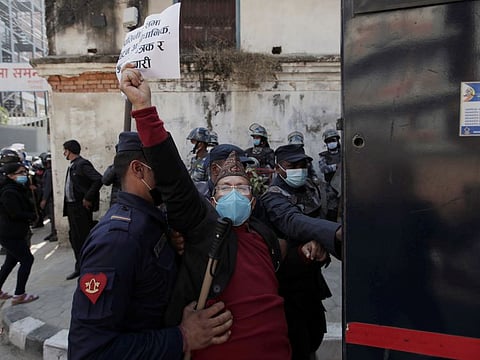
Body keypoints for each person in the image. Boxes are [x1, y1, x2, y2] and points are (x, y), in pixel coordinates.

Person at [119, 64, 291, 359]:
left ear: (253, 201)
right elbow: (174, 180)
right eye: (226, 188)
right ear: (212, 200)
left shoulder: (266, 238)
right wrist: (144, 110)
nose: (234, 193)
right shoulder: (202, 229)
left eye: (242, 188)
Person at [68, 131, 232, 360]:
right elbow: (90, 351)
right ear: (138, 170)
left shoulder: (151, 222)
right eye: (163, 170)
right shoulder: (116, 240)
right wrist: (182, 336)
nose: (172, 178)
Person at [261, 144, 342, 360]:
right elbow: (293, 221)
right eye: (292, 165)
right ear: (278, 168)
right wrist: (335, 234)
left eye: (302, 164)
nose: (299, 169)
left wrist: (322, 243)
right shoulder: (272, 197)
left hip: (311, 284)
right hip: (287, 287)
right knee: (296, 344)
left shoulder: (311, 190)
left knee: (313, 337)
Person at [63, 139, 103, 280]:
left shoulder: (82, 164)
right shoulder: (73, 165)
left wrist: (88, 197)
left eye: (65, 150)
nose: (64, 153)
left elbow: (98, 179)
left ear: (70, 150)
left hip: (80, 208)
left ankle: (89, 266)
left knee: (83, 238)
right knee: (75, 238)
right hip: (72, 208)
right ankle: (80, 267)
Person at [0, 162, 39, 305]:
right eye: (20, 173)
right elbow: (15, 213)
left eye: (24, 172)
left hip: (12, 232)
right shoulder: (9, 191)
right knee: (27, 260)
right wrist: (31, 215)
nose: (24, 175)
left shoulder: (16, 188)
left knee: (10, 262)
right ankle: (19, 295)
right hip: (10, 233)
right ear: (10, 175)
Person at [318, 128, 342, 221]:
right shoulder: (323, 156)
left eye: (333, 140)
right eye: (329, 141)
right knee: (332, 210)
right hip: (330, 187)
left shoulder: (344, 153)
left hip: (344, 185)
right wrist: (336, 166)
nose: (331, 143)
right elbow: (323, 169)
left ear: (337, 140)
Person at [39, 153, 57, 242]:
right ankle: (53, 232)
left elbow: (48, 187)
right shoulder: (48, 171)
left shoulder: (49, 173)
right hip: (49, 199)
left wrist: (44, 199)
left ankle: (55, 233)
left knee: (53, 217)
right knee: (51, 216)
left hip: (50, 199)